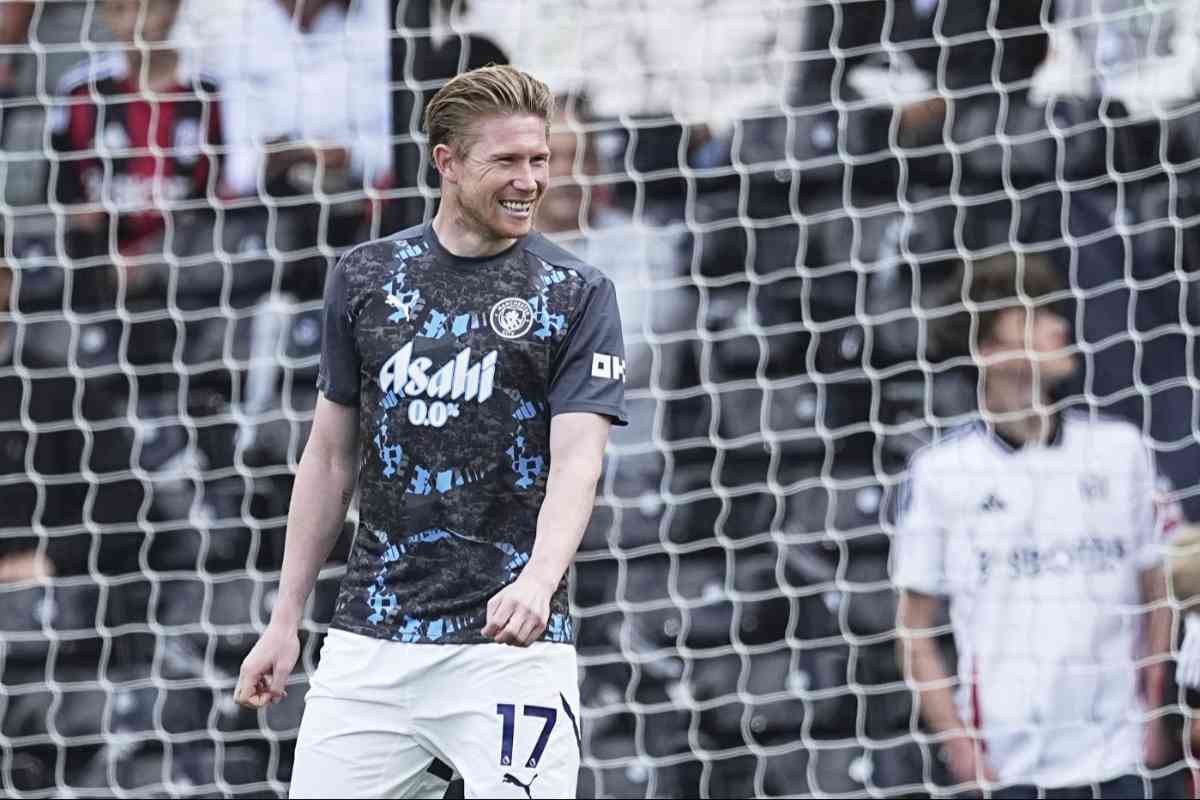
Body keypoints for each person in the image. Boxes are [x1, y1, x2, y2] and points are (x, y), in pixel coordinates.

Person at [233, 65, 627, 799]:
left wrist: (539, 582)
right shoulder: (366, 277)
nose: (530, 180)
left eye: (538, 159)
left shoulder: (577, 294)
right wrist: (284, 621)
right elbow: (326, 460)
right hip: (371, 640)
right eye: (506, 161)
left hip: (509, 645)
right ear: (446, 162)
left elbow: (580, 462)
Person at [893, 252, 1173, 798]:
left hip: (1119, 757)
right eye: (1034, 315)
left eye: (1053, 311)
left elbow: (1155, 586)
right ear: (989, 350)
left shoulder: (1120, 451)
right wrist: (959, 745)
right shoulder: (942, 474)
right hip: (1013, 768)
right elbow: (914, 629)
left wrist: (1153, 706)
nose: (1058, 325)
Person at [49, 0, 222, 298]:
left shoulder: (210, 89)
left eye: (146, 9)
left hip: (190, 257)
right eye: (119, 9)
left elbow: (226, 188)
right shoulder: (80, 89)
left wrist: (153, 253)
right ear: (104, 14)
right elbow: (61, 189)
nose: (133, 23)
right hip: (99, 259)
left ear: (173, 9)